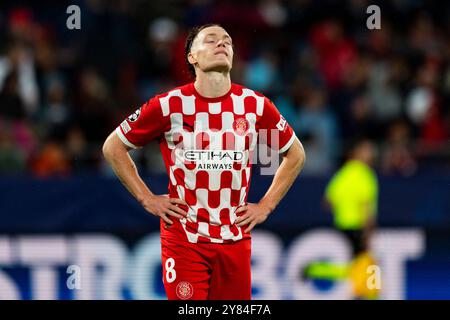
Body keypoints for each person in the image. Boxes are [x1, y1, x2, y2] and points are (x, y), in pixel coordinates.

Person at [102, 24, 305, 300]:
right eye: (211, 40)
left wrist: (266, 205)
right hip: (185, 239)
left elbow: (295, 155)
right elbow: (113, 147)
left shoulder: (256, 106)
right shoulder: (168, 105)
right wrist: (146, 198)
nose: (222, 44)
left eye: (227, 41)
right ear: (192, 57)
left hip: (234, 240)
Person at [304, 138, 379, 299]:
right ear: (357, 153)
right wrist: (369, 230)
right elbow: (366, 206)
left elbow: (327, 202)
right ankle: (366, 294)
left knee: (358, 264)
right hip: (358, 226)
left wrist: (343, 206)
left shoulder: (342, 173)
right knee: (367, 264)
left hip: (342, 225)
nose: (371, 154)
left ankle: (315, 270)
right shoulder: (365, 174)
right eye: (367, 150)